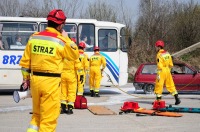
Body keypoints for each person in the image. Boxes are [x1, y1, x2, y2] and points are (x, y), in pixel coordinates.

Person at [19, 9, 79, 132]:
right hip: (51, 83)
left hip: (35, 82)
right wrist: (67, 39)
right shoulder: (61, 41)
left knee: (36, 116)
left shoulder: (34, 37)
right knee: (49, 120)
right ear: (60, 25)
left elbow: (25, 63)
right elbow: (74, 55)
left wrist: (26, 80)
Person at [154, 40, 181, 105]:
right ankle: (177, 98)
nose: (155, 48)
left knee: (159, 86)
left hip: (161, 71)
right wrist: (168, 69)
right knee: (171, 85)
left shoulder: (159, 55)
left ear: (159, 47)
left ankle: (158, 102)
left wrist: (158, 72)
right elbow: (171, 64)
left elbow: (159, 65)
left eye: (156, 47)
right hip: (168, 70)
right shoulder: (167, 54)